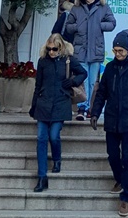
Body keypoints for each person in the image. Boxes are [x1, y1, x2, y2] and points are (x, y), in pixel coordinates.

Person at [90, 30, 128, 218]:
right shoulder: (109, 68)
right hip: (111, 120)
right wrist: (95, 113)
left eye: (121, 51)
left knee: (127, 158)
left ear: (127, 49)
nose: (118, 54)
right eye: (115, 50)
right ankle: (120, 178)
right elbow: (102, 93)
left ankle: (125, 197)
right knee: (112, 155)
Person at [29, 32, 86, 193]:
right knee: (41, 138)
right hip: (43, 103)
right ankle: (42, 177)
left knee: (54, 136)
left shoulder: (68, 60)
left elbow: (83, 73)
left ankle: (57, 159)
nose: (51, 52)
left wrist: (73, 81)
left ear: (60, 48)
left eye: (54, 49)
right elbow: (37, 84)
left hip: (61, 102)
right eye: (49, 49)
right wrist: (33, 106)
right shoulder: (43, 62)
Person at [64, 0, 116, 120]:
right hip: (81, 50)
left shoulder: (103, 7)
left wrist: (99, 25)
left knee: (93, 82)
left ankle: (90, 108)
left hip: (96, 50)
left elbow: (112, 23)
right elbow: (68, 26)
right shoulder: (76, 8)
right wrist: (78, 27)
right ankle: (82, 108)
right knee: (83, 80)